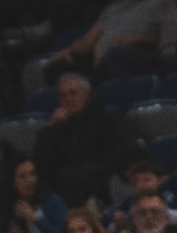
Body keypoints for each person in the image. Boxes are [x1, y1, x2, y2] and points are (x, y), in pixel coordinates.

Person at [50, 0, 170, 79]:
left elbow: (163, 36)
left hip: (128, 56)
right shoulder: (113, 8)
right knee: (54, 68)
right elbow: (88, 40)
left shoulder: (162, 2)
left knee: (111, 58)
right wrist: (69, 50)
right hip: (95, 59)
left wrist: (133, 40)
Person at [33, 72, 133, 207]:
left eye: (73, 93)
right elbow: (42, 163)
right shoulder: (58, 126)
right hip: (67, 181)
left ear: (87, 95)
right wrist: (50, 128)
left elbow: (121, 152)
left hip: (101, 178)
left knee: (69, 177)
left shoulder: (107, 117)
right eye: (63, 96)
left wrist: (85, 170)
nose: (68, 99)